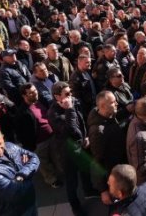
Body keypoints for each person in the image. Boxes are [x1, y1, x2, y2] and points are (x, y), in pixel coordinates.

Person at [47, 82, 93, 215]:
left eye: (70, 92)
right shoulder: (53, 113)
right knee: (71, 180)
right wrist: (69, 109)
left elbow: (81, 120)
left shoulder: (74, 101)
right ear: (57, 97)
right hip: (68, 151)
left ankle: (89, 190)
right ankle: (75, 205)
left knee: (85, 170)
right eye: (67, 94)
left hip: (82, 145)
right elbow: (70, 130)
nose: (71, 96)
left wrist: (86, 136)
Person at [87, 91, 127, 205]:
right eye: (113, 102)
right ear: (103, 106)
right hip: (112, 178)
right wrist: (103, 190)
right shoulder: (98, 131)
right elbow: (97, 161)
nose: (116, 104)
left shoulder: (110, 115)